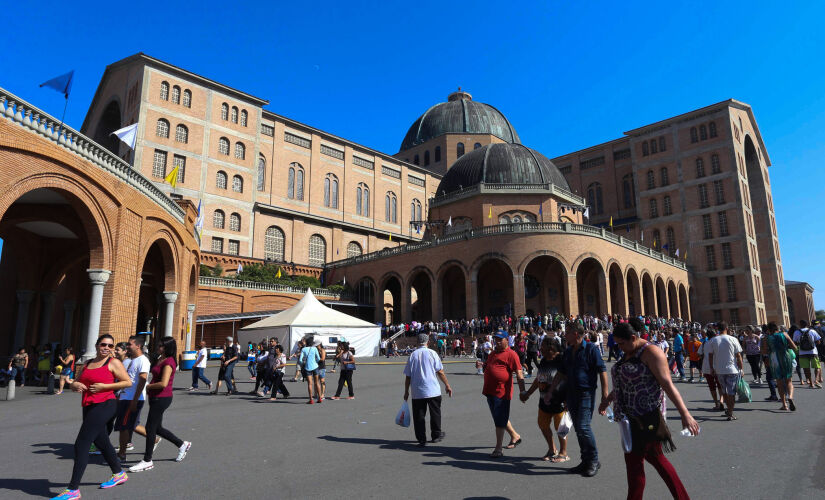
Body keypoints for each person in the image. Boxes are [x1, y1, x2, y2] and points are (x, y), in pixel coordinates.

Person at [599, 321, 698, 500]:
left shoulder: (651, 352)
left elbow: (667, 383)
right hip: (628, 417)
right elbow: (624, 382)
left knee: (638, 464)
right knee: (648, 461)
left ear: (633, 338)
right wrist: (607, 400)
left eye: (621, 343)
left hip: (647, 416)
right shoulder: (629, 352)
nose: (619, 348)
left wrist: (685, 413)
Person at [52, 334, 131, 500]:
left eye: (110, 346)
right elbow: (77, 382)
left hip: (106, 404)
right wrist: (74, 385)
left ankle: (73, 490)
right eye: (104, 344)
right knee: (101, 441)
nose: (107, 348)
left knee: (81, 444)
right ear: (97, 345)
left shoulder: (113, 362)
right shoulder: (88, 363)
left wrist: (105, 386)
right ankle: (118, 473)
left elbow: (127, 382)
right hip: (89, 405)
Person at [549, 323, 608, 477]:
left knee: (583, 427)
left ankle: (594, 460)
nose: (564, 335)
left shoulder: (591, 349)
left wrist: (605, 395)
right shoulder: (568, 352)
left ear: (576, 334)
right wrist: (551, 391)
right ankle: (585, 460)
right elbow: (561, 374)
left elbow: (602, 371)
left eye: (567, 332)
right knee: (578, 429)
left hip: (586, 394)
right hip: (571, 394)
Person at [129, 337, 191, 473]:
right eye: (159, 344)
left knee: (150, 428)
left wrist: (147, 386)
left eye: (162, 346)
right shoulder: (159, 358)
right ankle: (182, 444)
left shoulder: (169, 362)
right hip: (155, 397)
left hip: (162, 397)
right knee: (157, 428)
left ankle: (147, 460)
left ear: (168, 347)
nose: (159, 347)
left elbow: (163, 383)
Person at [520, 338, 569, 462]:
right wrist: (528, 393)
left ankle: (564, 453)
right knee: (543, 425)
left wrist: (569, 398)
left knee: (561, 428)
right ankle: (552, 449)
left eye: (542, 346)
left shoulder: (562, 359)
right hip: (544, 401)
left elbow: (569, 379)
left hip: (560, 400)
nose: (539, 348)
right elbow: (539, 379)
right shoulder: (543, 360)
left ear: (551, 348)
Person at [403, 333, 453, 446]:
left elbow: (408, 376)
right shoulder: (432, 353)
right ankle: (436, 435)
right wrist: (447, 385)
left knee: (419, 415)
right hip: (432, 389)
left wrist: (406, 391)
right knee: (435, 413)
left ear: (417, 342)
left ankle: (421, 438)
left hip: (417, 390)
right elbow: (440, 371)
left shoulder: (413, 355)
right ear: (428, 342)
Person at [483, 330, 526, 458]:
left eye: (500, 339)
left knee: (499, 420)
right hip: (489, 391)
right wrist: (481, 365)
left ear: (507, 340)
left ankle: (498, 448)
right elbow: (488, 366)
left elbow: (519, 374)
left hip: (501, 392)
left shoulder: (511, 354)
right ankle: (515, 436)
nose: (497, 341)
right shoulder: (492, 353)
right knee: (499, 417)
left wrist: (523, 391)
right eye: (496, 339)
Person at [116, 335, 151, 461]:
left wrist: (135, 400)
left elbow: (142, 380)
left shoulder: (143, 360)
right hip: (125, 397)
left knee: (124, 427)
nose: (128, 346)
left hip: (132, 399)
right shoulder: (132, 360)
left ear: (138, 345)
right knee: (129, 426)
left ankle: (122, 453)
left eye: (130, 344)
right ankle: (154, 438)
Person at [706, 322, 744, 421]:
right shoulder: (733, 339)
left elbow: (710, 356)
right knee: (731, 392)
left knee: (725, 391)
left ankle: (729, 409)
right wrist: (741, 369)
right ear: (727, 328)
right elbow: (738, 356)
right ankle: (730, 412)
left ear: (718, 329)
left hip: (719, 370)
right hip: (732, 369)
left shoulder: (713, 340)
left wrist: (711, 368)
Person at [763, 322, 797, 411]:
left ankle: (784, 405)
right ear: (777, 329)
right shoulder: (784, 334)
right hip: (786, 357)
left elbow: (764, 352)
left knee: (779, 382)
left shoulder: (767, 338)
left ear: (768, 330)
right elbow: (794, 347)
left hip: (774, 360)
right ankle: (790, 397)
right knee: (789, 380)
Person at [793, 320, 822, 389]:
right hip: (813, 352)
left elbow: (795, 343)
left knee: (806, 368)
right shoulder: (812, 331)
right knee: (817, 366)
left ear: (800, 324)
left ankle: (811, 383)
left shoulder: (797, 332)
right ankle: (816, 380)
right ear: (807, 324)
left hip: (802, 352)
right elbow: (818, 342)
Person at [298, 335, 321, 403]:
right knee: (317, 383)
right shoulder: (314, 348)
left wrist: (304, 363)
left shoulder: (303, 349)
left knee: (310, 384)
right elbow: (318, 358)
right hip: (315, 367)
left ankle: (311, 399)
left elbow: (300, 360)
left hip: (307, 367)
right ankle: (319, 398)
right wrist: (315, 362)